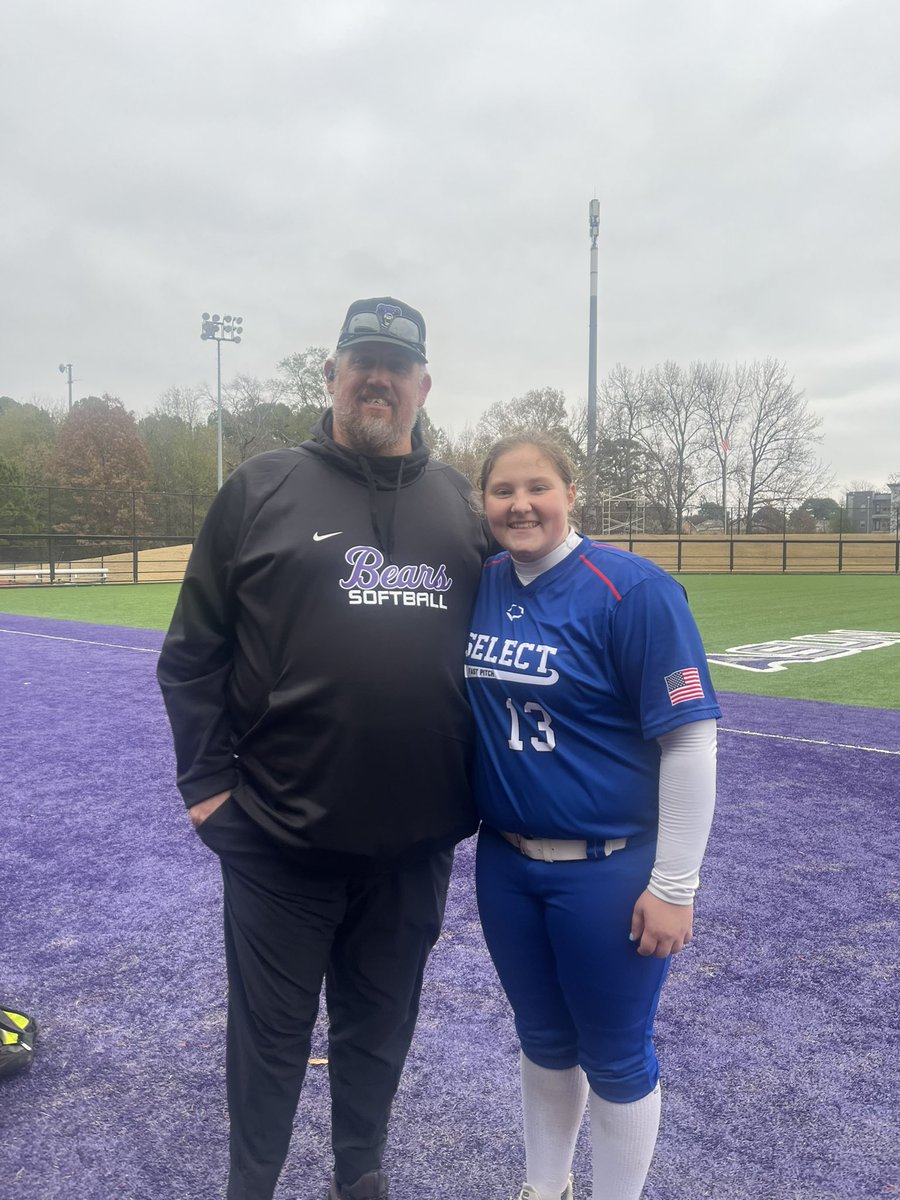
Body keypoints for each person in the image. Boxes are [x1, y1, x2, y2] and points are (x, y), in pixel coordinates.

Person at [157, 297, 489, 1200]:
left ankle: (360, 1178)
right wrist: (206, 789)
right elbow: (191, 654)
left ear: (423, 384)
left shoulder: (463, 504)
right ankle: (251, 1184)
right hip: (275, 839)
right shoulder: (261, 488)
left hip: (414, 844)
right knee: (267, 1039)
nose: (377, 377)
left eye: (396, 363)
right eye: (361, 360)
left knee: (378, 1029)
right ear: (332, 374)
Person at [465, 434, 720, 1200]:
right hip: (506, 862)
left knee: (615, 1056)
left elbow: (690, 739)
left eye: (537, 486)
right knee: (543, 1043)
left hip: (608, 870)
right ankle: (547, 1188)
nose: (520, 505)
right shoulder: (481, 584)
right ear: (484, 504)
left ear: (571, 492)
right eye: (503, 490)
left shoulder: (634, 591)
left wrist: (676, 882)